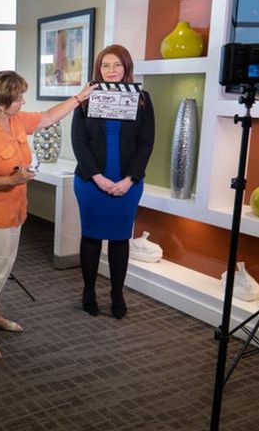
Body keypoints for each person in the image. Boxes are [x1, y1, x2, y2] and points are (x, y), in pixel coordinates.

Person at [0, 70, 95, 360]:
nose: (23, 101)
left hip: (14, 211)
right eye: (18, 97)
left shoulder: (15, 121)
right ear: (0, 102)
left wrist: (79, 97)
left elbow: (48, 117)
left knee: (2, 267)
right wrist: (13, 181)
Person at [71, 44, 155, 319]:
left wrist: (130, 179)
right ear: (99, 69)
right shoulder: (85, 99)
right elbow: (79, 142)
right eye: (105, 65)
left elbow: (146, 143)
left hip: (127, 183)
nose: (111, 70)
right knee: (91, 236)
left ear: (126, 67)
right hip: (90, 181)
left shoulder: (143, 99)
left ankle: (117, 293)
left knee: (120, 238)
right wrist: (97, 176)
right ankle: (88, 291)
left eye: (117, 65)